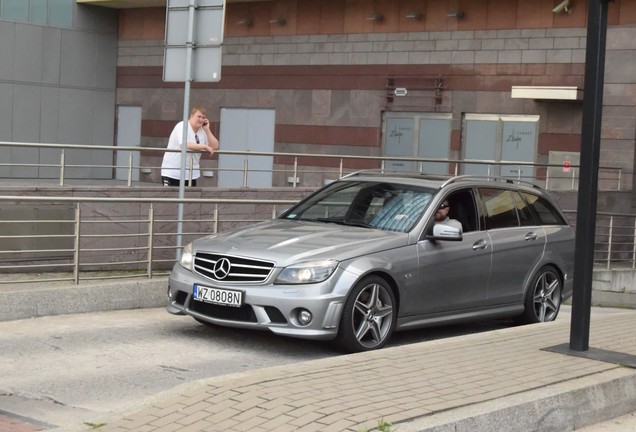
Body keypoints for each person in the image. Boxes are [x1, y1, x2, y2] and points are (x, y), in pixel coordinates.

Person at [161, 107, 219, 187]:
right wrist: (204, 146)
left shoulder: (202, 131)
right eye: (199, 117)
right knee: (171, 198)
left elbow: (215, 146)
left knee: (189, 198)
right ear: (191, 116)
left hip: (191, 173)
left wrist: (207, 130)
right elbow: (184, 144)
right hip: (172, 173)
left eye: (203, 118)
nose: (201, 120)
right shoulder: (182, 126)